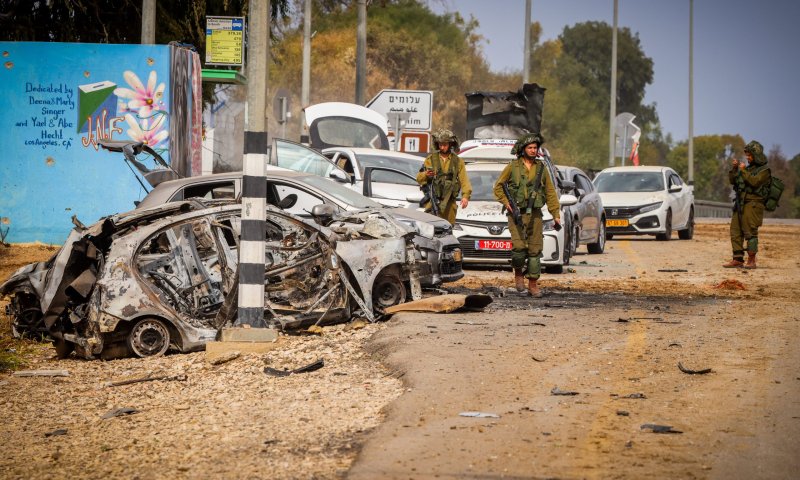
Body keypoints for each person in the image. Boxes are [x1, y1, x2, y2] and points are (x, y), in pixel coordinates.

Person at [493, 133, 560, 297]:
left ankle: (533, 284)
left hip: (535, 215)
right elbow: (498, 187)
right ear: (523, 149)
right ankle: (518, 273)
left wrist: (555, 214)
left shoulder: (541, 168)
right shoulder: (512, 167)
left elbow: (550, 193)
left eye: (535, 148)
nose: (533, 150)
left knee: (535, 250)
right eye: (530, 147)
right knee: (519, 248)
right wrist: (506, 203)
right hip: (516, 213)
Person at [723, 140, 771, 269]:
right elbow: (734, 181)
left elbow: (754, 182)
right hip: (740, 203)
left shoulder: (765, 171)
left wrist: (743, 171)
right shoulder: (747, 168)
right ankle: (737, 259)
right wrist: (734, 169)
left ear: (756, 155)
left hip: (753, 204)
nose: (748, 158)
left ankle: (751, 260)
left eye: (750, 155)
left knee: (750, 232)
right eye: (747, 155)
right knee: (735, 231)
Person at [416, 129, 472, 225]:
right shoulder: (431, 159)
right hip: (433, 201)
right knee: (430, 229)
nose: (442, 147)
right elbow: (419, 178)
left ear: (450, 144)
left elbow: (464, 181)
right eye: (440, 144)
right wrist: (426, 174)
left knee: (448, 229)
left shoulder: (458, 161)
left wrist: (465, 196)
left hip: (450, 204)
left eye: (445, 144)